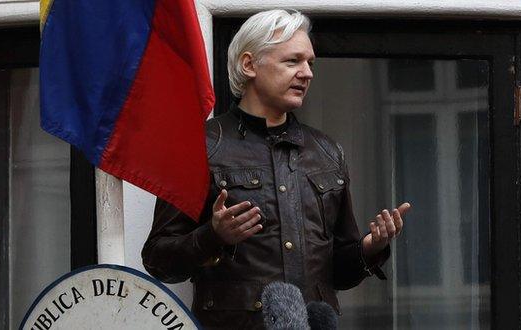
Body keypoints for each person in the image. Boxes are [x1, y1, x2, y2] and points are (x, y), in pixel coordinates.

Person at [140, 9, 411, 329]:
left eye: (310, 62)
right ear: (249, 64)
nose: (307, 72)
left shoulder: (326, 152)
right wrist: (213, 235)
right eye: (292, 61)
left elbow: (338, 274)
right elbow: (158, 261)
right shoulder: (199, 147)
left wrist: (369, 248)